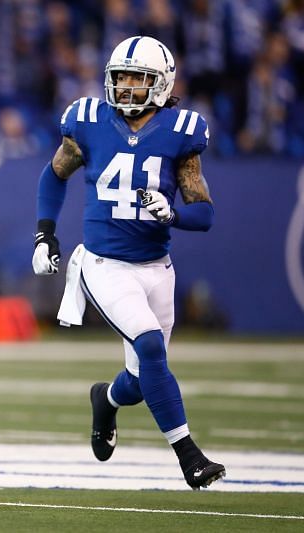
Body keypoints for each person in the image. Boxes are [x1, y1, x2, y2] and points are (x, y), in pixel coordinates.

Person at [32, 35, 226, 490]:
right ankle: (189, 456)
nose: (126, 87)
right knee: (151, 348)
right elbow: (54, 173)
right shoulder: (87, 121)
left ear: (160, 84)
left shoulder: (181, 133)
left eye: (137, 79)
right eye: (120, 77)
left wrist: (174, 212)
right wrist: (45, 232)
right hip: (104, 265)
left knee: (142, 379)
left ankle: (107, 399)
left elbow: (206, 213)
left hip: (157, 269)